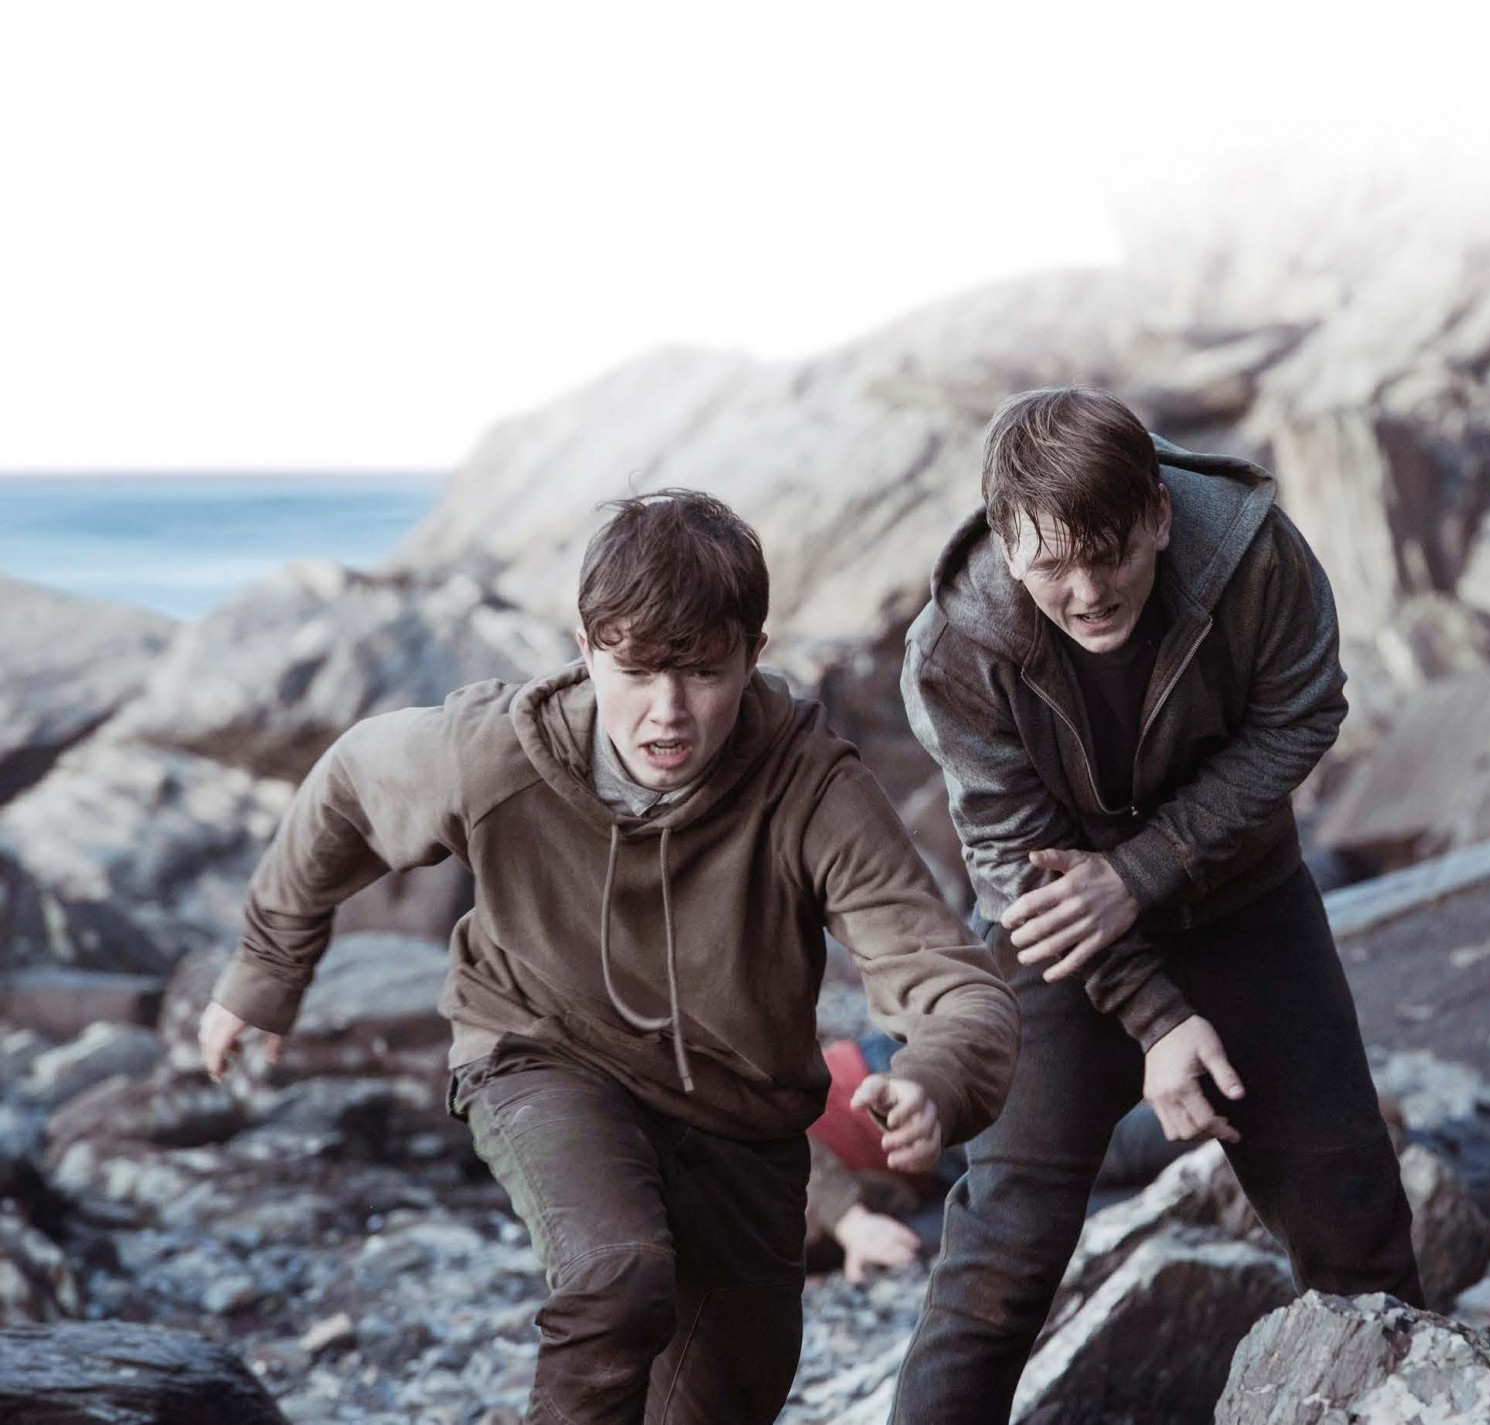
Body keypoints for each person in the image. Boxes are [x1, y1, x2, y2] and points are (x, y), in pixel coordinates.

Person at [197, 489, 1020, 1425]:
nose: (668, 713)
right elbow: (348, 787)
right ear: (587, 648)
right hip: (541, 1048)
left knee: (728, 1396)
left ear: (754, 653)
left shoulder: (810, 789)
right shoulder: (493, 754)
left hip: (741, 1120)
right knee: (616, 1276)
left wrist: (935, 1077)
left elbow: (945, 973)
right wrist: (266, 970)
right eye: (637, 671)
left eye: (704, 673)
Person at [892, 386, 1421, 1422]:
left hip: (1244, 901)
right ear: (1005, 542)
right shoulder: (953, 645)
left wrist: (1139, 870)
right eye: (1052, 566)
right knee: (998, 1261)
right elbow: (1008, 853)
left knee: (1354, 1221)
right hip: (1055, 932)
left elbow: (1303, 714)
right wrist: (1156, 1017)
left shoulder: (1254, 556)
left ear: (1160, 515)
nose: (1087, 592)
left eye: (1111, 554)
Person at [804, 1030, 1192, 1283]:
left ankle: (1212, 1131)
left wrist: (848, 1220)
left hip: (888, 1088)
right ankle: (1189, 1195)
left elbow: (780, 1138)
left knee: (1086, 1150)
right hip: (910, 1183)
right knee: (1030, 1216)